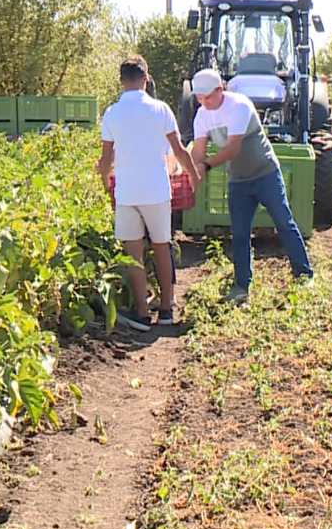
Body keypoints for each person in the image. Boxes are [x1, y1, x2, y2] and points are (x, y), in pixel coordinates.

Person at [189, 68, 312, 304]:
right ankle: (241, 285)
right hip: (238, 181)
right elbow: (198, 152)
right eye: (199, 98)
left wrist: (204, 167)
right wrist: (190, 176)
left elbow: (233, 149)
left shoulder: (239, 105)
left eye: (207, 97)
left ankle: (304, 274)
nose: (203, 102)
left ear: (220, 90)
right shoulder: (202, 116)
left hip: (265, 174)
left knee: (284, 223)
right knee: (240, 233)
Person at [96, 55, 199, 330]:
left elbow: (106, 159)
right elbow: (178, 151)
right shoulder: (161, 109)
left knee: (134, 253)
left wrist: (105, 180)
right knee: (162, 246)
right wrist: (193, 175)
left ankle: (142, 313)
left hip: (127, 192)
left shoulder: (112, 113)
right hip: (156, 190)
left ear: (121, 81)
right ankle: (166, 310)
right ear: (146, 79)